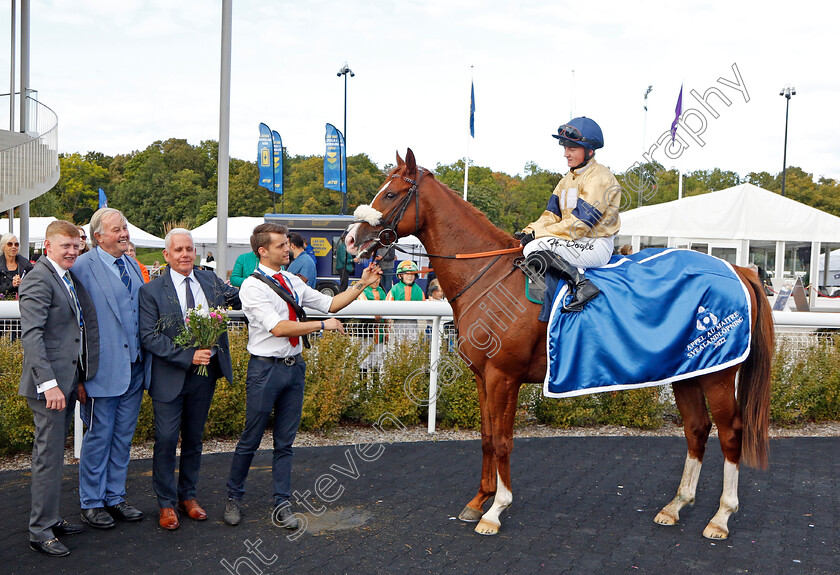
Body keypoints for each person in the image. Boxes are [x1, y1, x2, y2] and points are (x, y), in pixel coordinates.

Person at [223, 223, 381, 529]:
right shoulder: (252, 286)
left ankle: (282, 504)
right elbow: (278, 328)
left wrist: (362, 283)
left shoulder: (291, 279)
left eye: (286, 244)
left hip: (293, 367)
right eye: (281, 245)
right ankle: (234, 497)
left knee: (285, 443)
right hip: (265, 369)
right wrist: (323, 325)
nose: (289, 249)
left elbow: (330, 303)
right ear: (263, 251)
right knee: (250, 439)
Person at [139, 229, 241, 530]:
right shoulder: (151, 291)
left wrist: (275, 281)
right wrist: (187, 356)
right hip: (169, 377)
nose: (185, 254)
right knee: (168, 439)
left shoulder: (210, 281)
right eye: (179, 249)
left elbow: (239, 297)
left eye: (189, 249)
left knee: (194, 439)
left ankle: (188, 496)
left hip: (204, 376)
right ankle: (166, 504)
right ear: (166, 255)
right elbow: (148, 336)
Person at [18, 220, 100, 557]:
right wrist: (50, 385)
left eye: (75, 245)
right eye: (65, 246)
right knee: (48, 459)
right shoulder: (39, 278)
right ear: (47, 246)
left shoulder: (66, 277)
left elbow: (71, 334)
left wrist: (76, 379)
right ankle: (40, 531)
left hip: (67, 382)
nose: (72, 251)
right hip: (48, 388)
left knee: (55, 456)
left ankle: (51, 518)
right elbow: (32, 336)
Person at [72, 207, 150, 529]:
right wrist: (78, 376)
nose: (124, 234)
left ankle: (115, 497)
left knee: (122, 438)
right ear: (98, 235)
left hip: (134, 368)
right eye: (117, 229)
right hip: (101, 372)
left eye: (125, 228)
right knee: (99, 437)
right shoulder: (81, 267)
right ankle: (91, 502)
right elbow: (73, 325)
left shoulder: (130, 262)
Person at [517, 117, 621, 313]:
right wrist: (529, 230)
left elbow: (579, 225)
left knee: (535, 247)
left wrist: (538, 236)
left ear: (589, 151)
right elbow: (550, 216)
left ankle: (582, 284)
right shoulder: (566, 180)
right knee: (527, 244)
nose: (566, 154)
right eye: (565, 148)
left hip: (595, 244)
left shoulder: (600, 177)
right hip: (575, 242)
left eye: (572, 148)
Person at [0, 232, 34, 299]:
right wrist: (11, 285)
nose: (13, 247)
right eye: (10, 244)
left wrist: (22, 283)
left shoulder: (26, 264)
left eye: (16, 244)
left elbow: (34, 284)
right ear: (3, 246)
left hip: (23, 302)